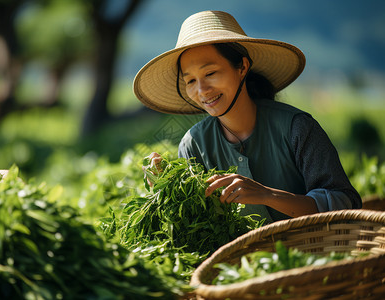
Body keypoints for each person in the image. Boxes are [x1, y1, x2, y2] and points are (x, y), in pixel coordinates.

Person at [133, 10, 361, 224]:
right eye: (191, 80)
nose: (201, 90)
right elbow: (198, 225)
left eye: (210, 73)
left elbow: (346, 205)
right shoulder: (194, 145)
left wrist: (267, 195)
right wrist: (168, 186)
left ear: (242, 67)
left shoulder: (296, 128)